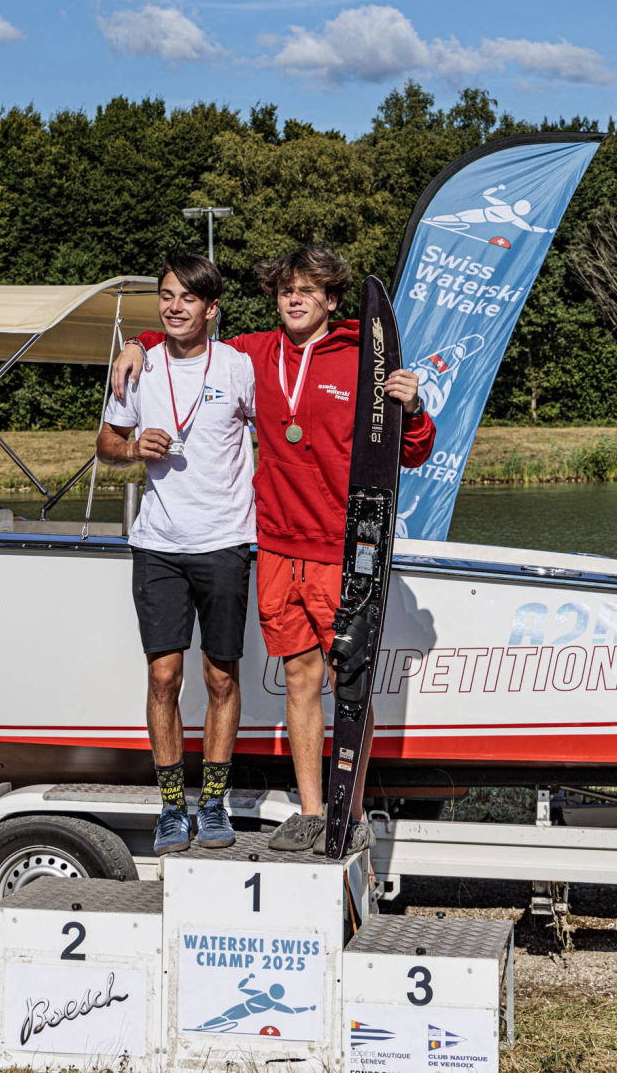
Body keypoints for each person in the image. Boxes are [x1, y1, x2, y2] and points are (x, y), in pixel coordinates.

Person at [112, 246, 435, 853]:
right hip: (277, 545)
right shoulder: (254, 354)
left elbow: (411, 452)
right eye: (286, 290)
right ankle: (311, 812)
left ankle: (349, 810)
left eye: (307, 290)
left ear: (332, 300)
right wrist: (138, 342)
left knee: (348, 681)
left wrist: (413, 408)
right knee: (299, 678)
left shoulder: (362, 359)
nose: (293, 299)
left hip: (340, 547)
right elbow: (188, 336)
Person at [97, 247, 256, 855]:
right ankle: (171, 808)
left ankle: (212, 803)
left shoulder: (238, 368)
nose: (174, 307)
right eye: (166, 296)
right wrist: (134, 448)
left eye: (188, 298)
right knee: (164, 677)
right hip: (158, 545)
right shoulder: (138, 367)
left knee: (220, 677)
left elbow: (282, 433)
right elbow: (107, 443)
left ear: (211, 308)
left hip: (224, 541)